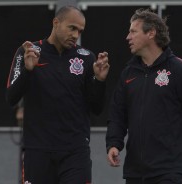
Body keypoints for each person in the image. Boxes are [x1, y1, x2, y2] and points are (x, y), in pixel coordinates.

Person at [106, 8, 182, 184]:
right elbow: (117, 115)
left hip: (169, 170)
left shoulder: (179, 70)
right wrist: (114, 144)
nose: (127, 37)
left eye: (133, 31)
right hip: (135, 172)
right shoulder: (128, 74)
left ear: (151, 33)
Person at [6, 6, 109, 184]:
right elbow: (11, 98)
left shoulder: (87, 58)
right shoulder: (28, 52)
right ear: (56, 23)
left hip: (75, 152)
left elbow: (97, 109)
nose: (76, 35)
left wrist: (99, 81)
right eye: (72, 28)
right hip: (37, 151)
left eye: (80, 30)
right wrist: (28, 71)